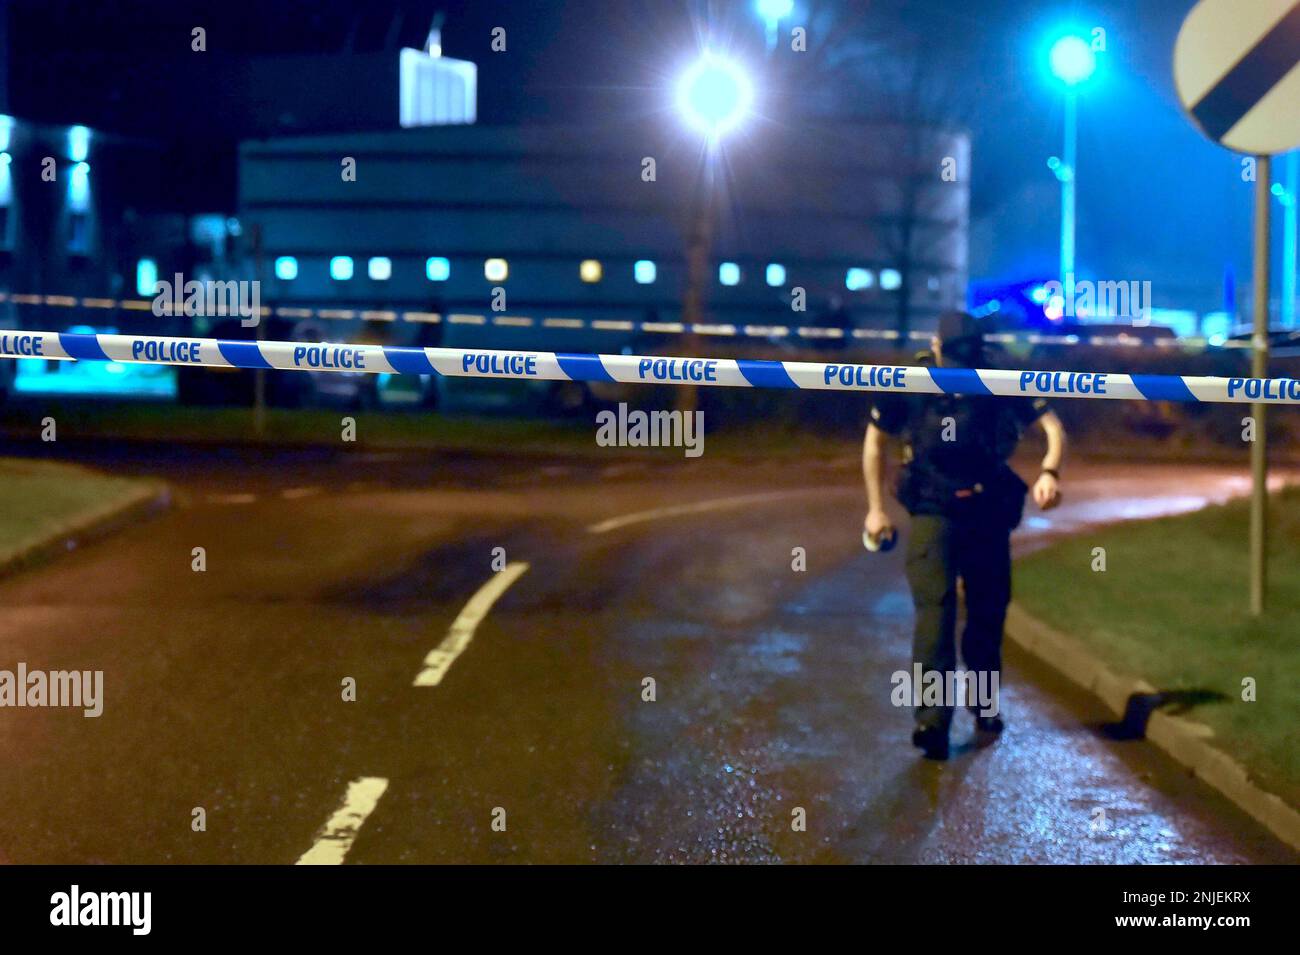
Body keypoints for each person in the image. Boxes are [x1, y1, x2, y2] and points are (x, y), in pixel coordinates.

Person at [862, 311, 1066, 760]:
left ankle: (982, 706)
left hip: (985, 509)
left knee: (983, 614)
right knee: (939, 612)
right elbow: (875, 439)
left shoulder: (993, 380)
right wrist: (876, 509)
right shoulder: (916, 382)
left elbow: (1052, 429)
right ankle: (932, 722)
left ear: (938, 345)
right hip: (937, 510)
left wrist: (1049, 471)